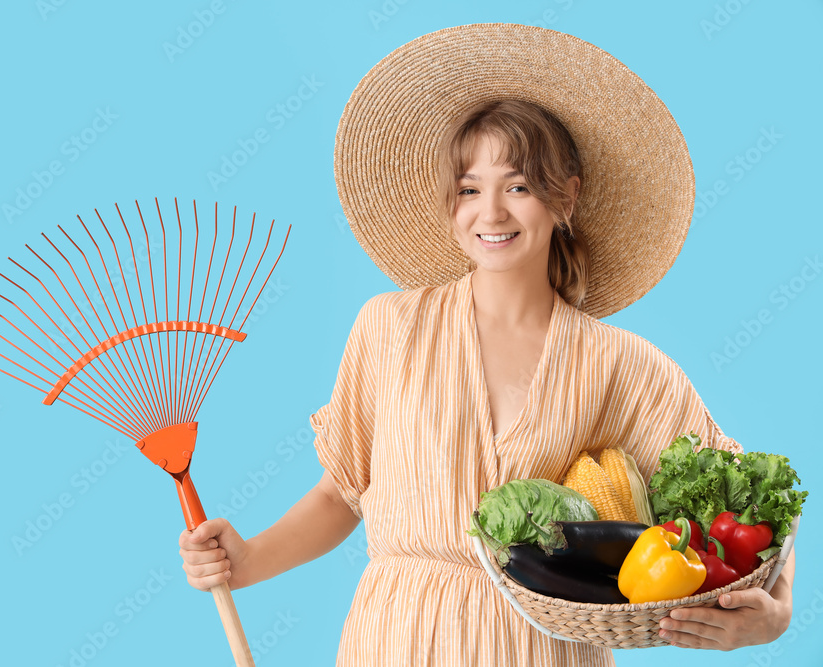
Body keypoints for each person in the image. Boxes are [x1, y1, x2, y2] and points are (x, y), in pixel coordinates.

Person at [179, 24, 796, 665]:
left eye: (519, 186)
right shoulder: (389, 328)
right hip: (397, 641)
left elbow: (748, 494)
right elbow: (341, 495)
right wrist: (247, 560)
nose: (492, 213)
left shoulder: (619, 364)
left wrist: (775, 611)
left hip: (544, 650)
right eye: (470, 189)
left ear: (566, 197)